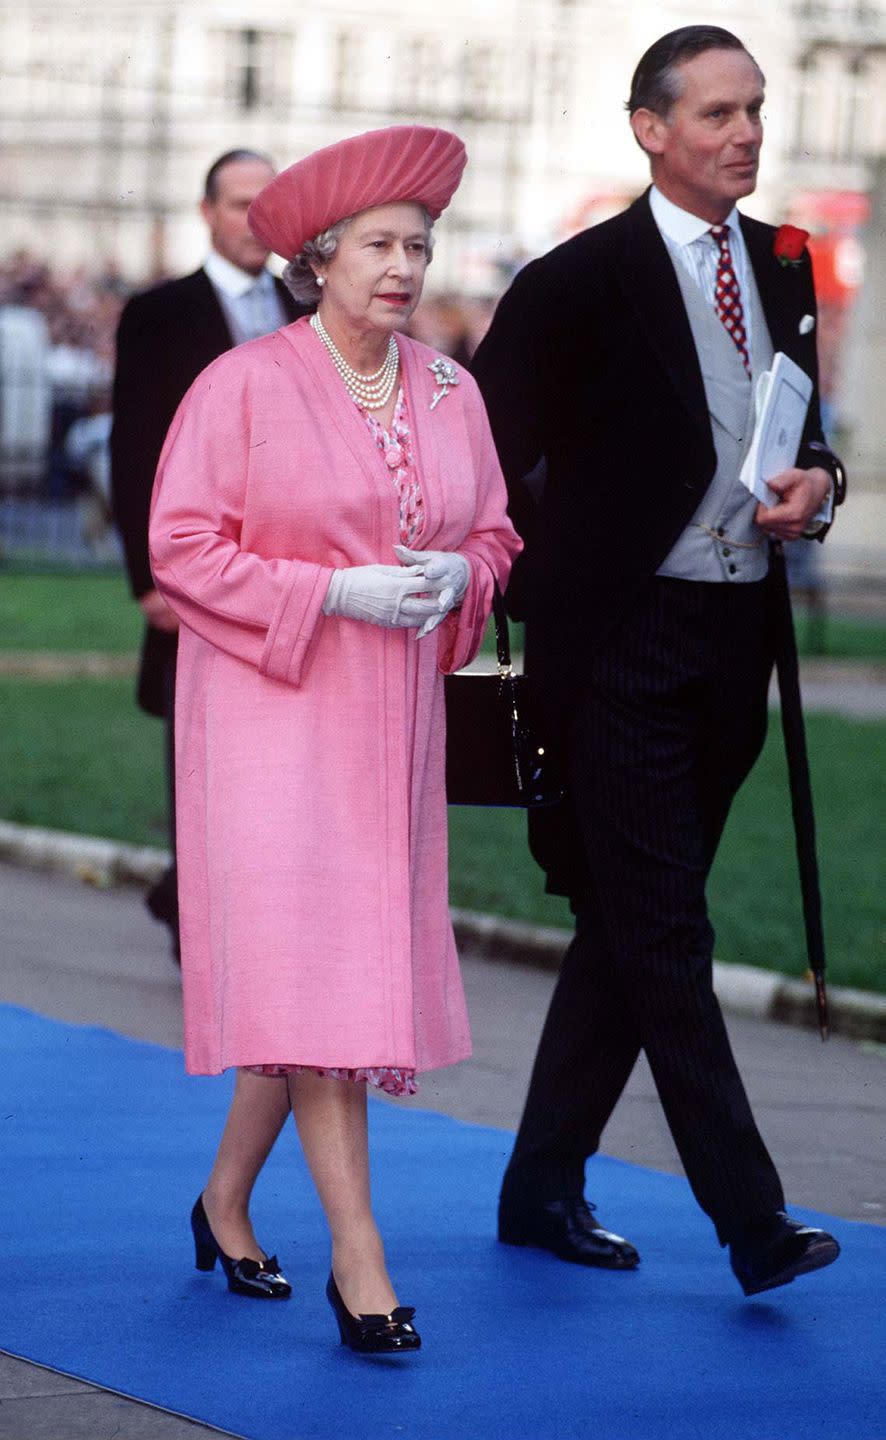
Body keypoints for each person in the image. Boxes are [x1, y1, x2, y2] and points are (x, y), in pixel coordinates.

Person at [471, 26, 845, 1298]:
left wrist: (821, 488)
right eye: (716, 114)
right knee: (665, 931)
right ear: (650, 128)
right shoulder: (573, 282)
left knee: (629, 928)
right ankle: (752, 1219)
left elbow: (812, 440)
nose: (744, 133)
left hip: (734, 646)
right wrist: (533, 587)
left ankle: (537, 1186)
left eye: (755, 110)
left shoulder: (787, 263)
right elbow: (482, 469)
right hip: (617, 646)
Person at [148, 125, 520, 1352]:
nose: (405, 266)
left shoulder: (453, 390)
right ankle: (359, 1263)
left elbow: (498, 537)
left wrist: (450, 572)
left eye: (420, 244)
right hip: (270, 714)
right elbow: (183, 548)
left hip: (388, 726)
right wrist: (331, 593)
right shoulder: (241, 383)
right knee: (321, 973)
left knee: (324, 978)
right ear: (317, 259)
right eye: (380, 244)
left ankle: (223, 1200)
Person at [111, 150, 307, 960]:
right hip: (194, 563)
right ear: (207, 212)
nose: (252, 220)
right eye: (238, 204)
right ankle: (202, 922)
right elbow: (135, 449)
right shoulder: (161, 313)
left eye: (267, 206)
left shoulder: (307, 309)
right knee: (197, 742)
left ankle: (194, 895)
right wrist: (148, 577)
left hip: (285, 570)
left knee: (272, 744)